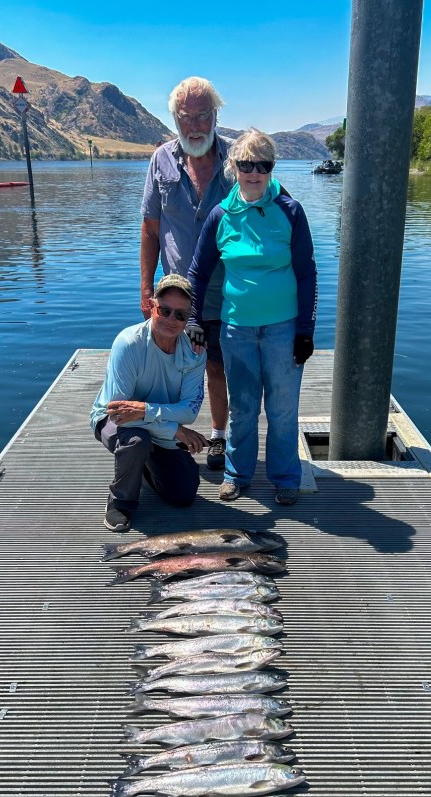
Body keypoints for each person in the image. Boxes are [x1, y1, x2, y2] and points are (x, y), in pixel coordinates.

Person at [188, 129, 318, 506]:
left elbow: (308, 272)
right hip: (236, 329)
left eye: (264, 165)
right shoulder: (221, 215)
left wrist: (305, 331)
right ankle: (236, 474)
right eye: (247, 164)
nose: (255, 172)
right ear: (233, 167)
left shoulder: (291, 211)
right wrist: (195, 318)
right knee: (243, 407)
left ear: (272, 168)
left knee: (282, 408)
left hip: (284, 327)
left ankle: (285, 477)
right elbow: (198, 272)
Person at [140, 76, 233, 471]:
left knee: (217, 366)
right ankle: (169, 434)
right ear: (175, 119)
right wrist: (146, 288)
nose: (195, 125)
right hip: (175, 297)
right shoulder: (160, 160)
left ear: (215, 115)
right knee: (170, 362)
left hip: (227, 293)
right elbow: (150, 229)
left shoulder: (235, 161)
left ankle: (218, 436)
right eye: (186, 117)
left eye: (202, 115)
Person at [90, 274, 208, 533]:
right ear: (152, 305)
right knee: (136, 441)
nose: (171, 319)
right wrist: (174, 430)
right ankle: (120, 502)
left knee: (184, 493)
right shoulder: (128, 343)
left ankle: (143, 468)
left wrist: (145, 410)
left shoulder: (195, 352)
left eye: (180, 315)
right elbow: (119, 413)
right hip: (110, 420)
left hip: (156, 422)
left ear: (188, 318)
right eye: (164, 310)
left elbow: (188, 411)